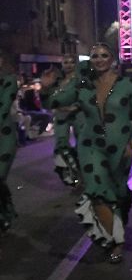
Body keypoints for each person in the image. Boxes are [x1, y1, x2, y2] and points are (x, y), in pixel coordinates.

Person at [43, 44, 132, 263]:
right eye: (94, 56)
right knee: (97, 191)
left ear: (112, 59)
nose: (99, 60)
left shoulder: (127, 86)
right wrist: (46, 88)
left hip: (120, 148)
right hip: (90, 146)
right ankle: (117, 241)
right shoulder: (82, 85)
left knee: (118, 193)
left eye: (104, 56)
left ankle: (118, 219)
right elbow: (55, 102)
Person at [45, 52, 82, 187]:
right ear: (62, 64)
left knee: (82, 143)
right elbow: (49, 98)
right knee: (61, 144)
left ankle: (82, 170)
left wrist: (75, 107)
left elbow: (86, 95)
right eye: (66, 62)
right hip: (61, 115)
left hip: (78, 113)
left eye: (71, 62)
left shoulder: (80, 79)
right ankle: (69, 170)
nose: (69, 65)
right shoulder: (57, 81)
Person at [0, 55, 18, 234]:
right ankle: (5, 211)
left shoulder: (9, 81)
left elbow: (3, 107)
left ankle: (6, 211)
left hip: (4, 137)